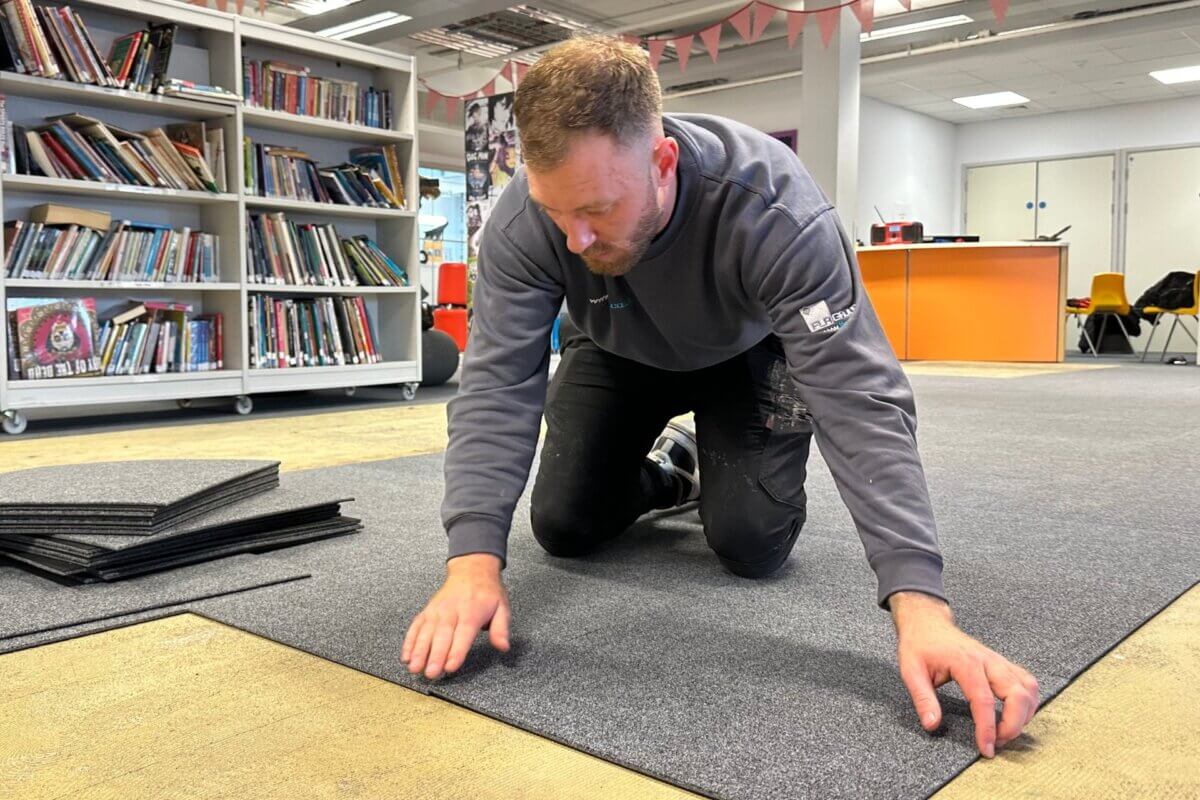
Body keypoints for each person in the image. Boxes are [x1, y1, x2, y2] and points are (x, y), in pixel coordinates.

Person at [402, 35, 1040, 759]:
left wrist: (922, 607)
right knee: (564, 524)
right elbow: (495, 386)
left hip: (748, 352)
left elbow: (860, 399)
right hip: (616, 342)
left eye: (599, 210)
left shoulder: (776, 211)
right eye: (557, 213)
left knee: (749, 542)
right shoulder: (529, 220)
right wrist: (472, 563)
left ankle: (719, 468)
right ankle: (676, 471)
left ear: (663, 163)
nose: (575, 241)